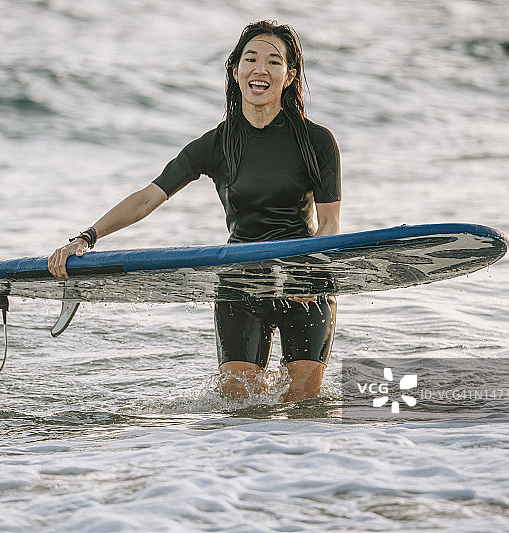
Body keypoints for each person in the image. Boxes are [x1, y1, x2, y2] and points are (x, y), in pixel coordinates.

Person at [48, 20, 341, 402]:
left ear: (289, 76)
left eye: (274, 61)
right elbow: (147, 198)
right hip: (240, 283)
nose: (260, 69)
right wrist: (86, 237)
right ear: (235, 71)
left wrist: (309, 270)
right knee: (238, 407)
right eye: (250, 59)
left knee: (303, 407)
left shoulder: (315, 141)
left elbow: (330, 223)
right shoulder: (215, 145)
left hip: (303, 281)